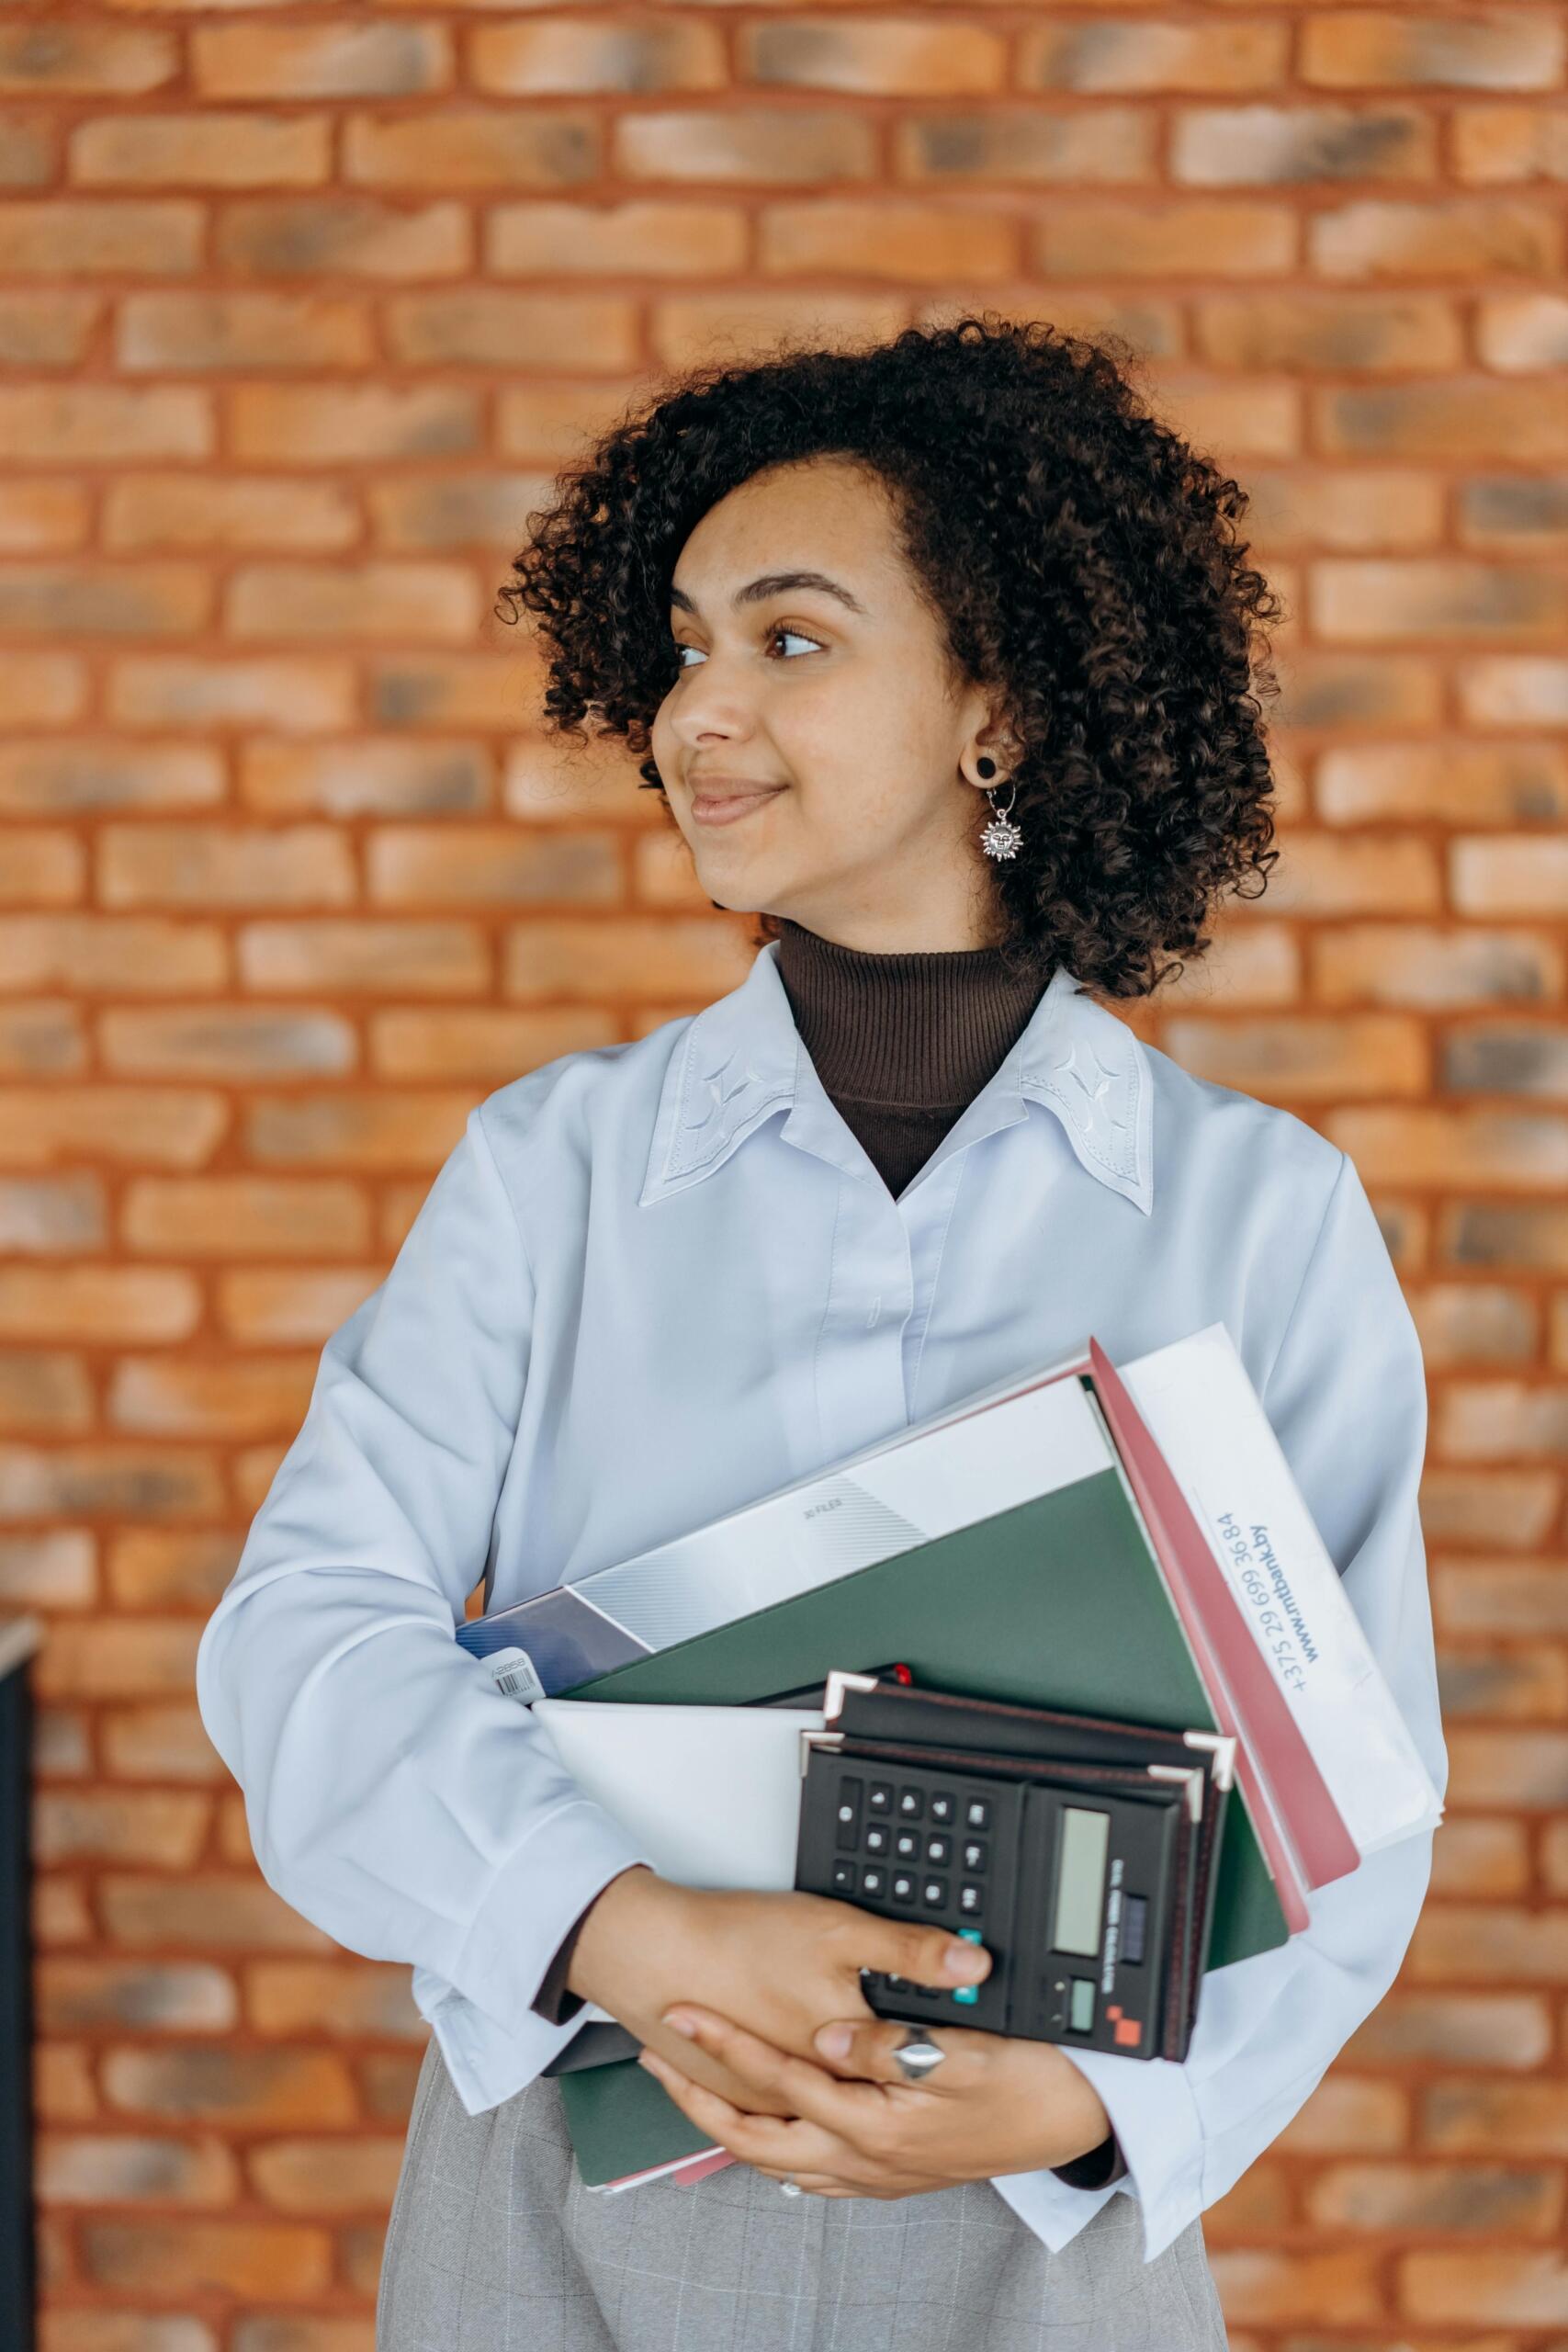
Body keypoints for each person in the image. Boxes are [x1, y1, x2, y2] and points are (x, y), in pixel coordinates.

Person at [194, 314, 1447, 2351]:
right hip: (568, 2198)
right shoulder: (548, 1172)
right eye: (683, 644)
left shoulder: (1259, 1212)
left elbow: (1356, 1801)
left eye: (786, 640)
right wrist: (620, 1921)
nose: (698, 708)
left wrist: (1088, 2097)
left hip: (1039, 2230)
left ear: (993, 707)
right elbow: (301, 1636)